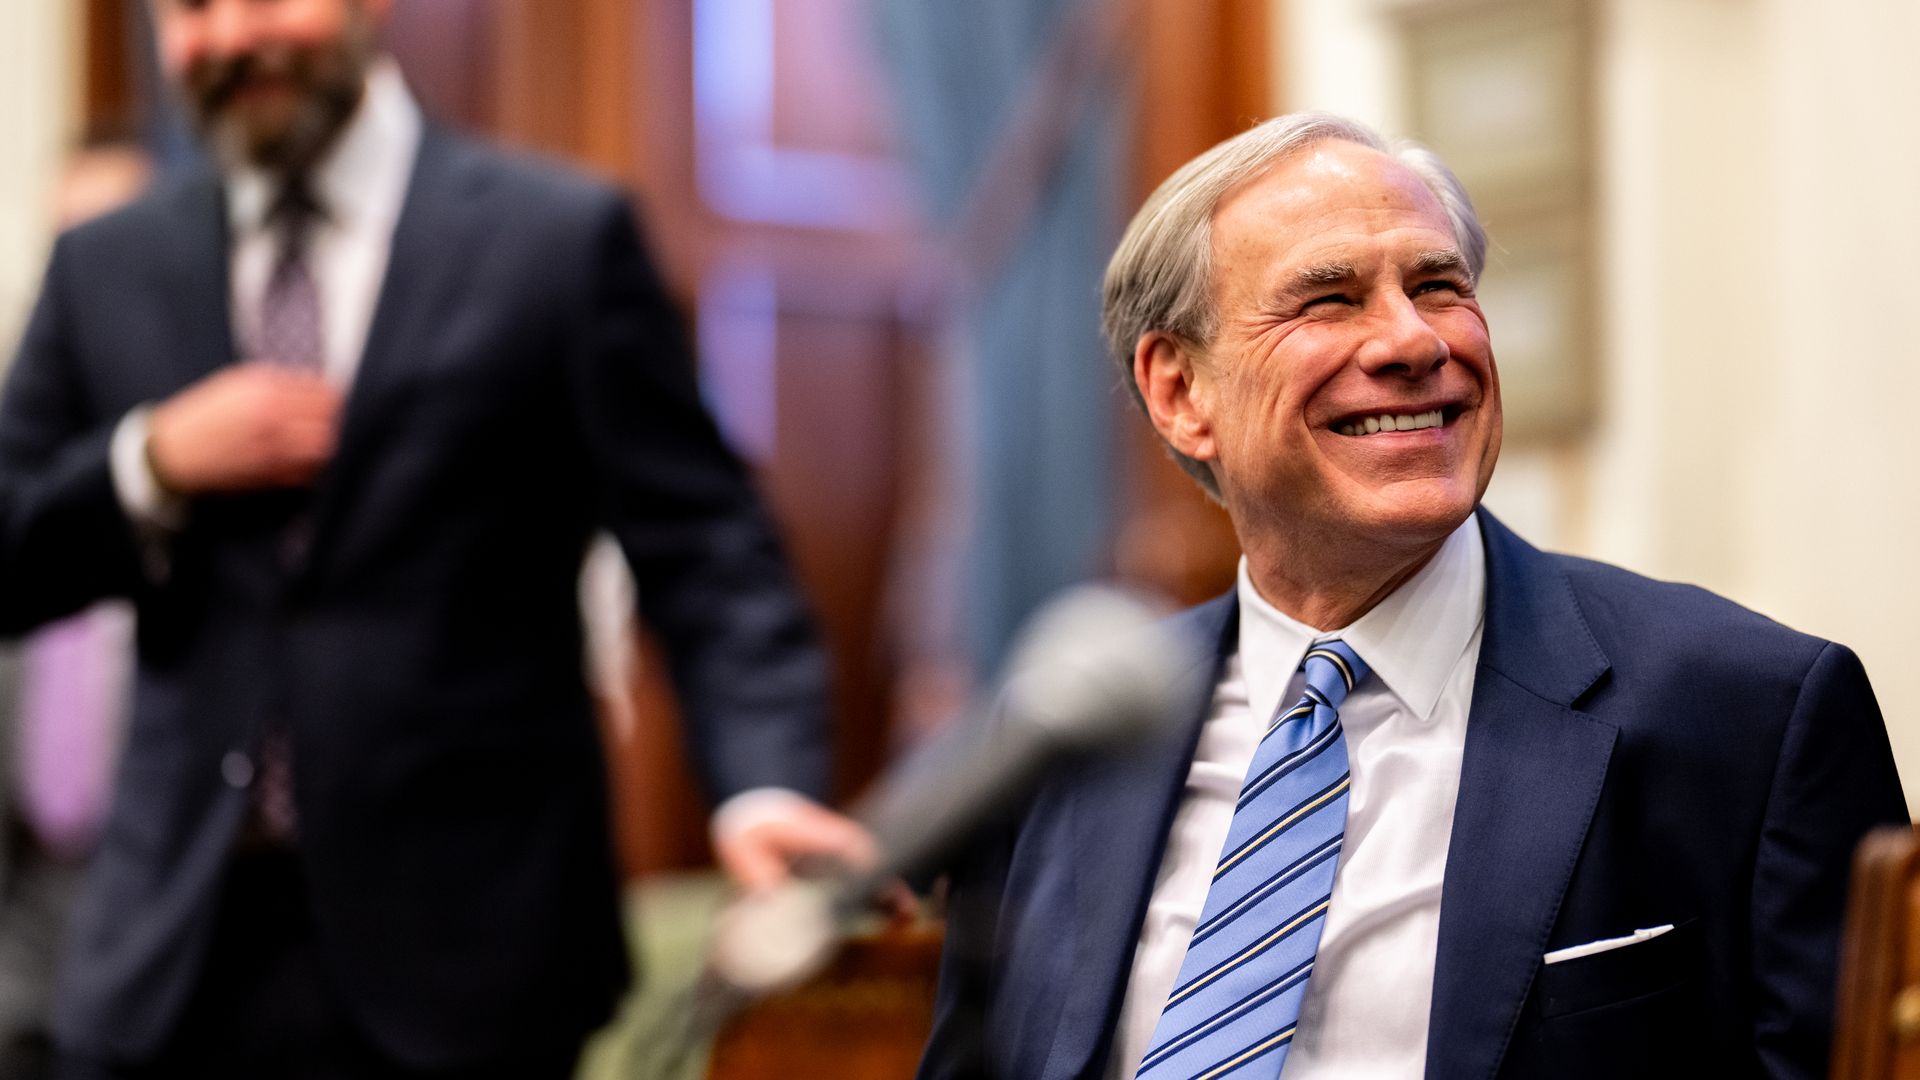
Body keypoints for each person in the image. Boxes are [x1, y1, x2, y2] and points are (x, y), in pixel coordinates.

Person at [918, 113, 1908, 1080]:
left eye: (1439, 286)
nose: (1412, 340)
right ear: (1180, 393)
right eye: (1329, 300)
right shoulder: (1069, 740)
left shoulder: (1746, 713)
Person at [0, 0, 870, 1076]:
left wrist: (763, 784)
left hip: (475, 967)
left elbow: (710, 554)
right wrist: (148, 462)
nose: (227, 39)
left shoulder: (557, 241)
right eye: (189, 10)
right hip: (170, 963)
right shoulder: (104, 265)